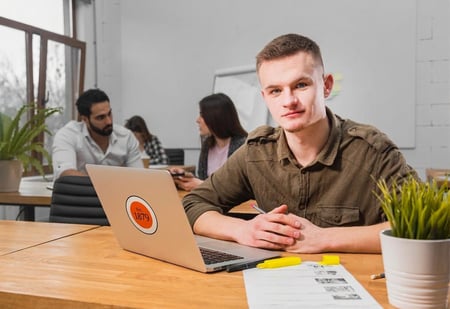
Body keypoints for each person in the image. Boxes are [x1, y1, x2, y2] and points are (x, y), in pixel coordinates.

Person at [182, 33, 418, 254]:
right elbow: (193, 203)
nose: (289, 101)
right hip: (273, 281)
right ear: (265, 98)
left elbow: (423, 227)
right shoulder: (255, 152)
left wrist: (325, 238)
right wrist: (242, 230)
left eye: (301, 85)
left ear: (326, 86)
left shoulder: (373, 152)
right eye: (275, 91)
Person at [52, 88, 143, 179]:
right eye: (101, 117)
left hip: (117, 192)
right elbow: (65, 173)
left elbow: (139, 177)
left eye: (109, 114)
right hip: (80, 192)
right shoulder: (68, 135)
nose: (108, 122)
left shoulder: (126, 137)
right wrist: (104, 185)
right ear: (85, 119)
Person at [171, 93, 248, 191]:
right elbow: (204, 179)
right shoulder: (207, 145)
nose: (197, 120)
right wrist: (186, 176)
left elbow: (241, 189)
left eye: (202, 115)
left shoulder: (243, 146)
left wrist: (202, 185)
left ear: (216, 116)